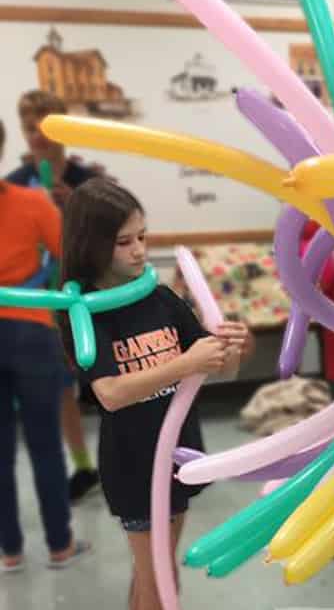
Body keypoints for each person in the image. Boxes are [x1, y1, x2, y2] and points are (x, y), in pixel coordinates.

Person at [59, 179, 251, 610]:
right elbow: (109, 393)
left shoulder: (161, 299)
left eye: (142, 237)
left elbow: (220, 370)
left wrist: (232, 347)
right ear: (91, 245)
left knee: (160, 576)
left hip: (179, 456)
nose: (139, 250)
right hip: (135, 463)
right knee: (159, 582)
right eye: (124, 241)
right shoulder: (84, 314)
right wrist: (185, 363)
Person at [6, 90, 111, 503]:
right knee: (61, 388)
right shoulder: (13, 187)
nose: (38, 135)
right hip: (35, 303)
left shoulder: (88, 180)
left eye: (46, 125)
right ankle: (84, 465)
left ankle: (127, 454)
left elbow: (113, 236)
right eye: (30, 127)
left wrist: (76, 210)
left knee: (108, 376)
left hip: (87, 294)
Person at [0, 117, 90, 573]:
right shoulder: (32, 202)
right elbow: (67, 258)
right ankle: (59, 544)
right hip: (32, 330)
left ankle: (10, 551)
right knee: (45, 443)